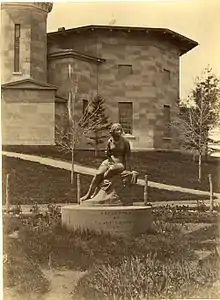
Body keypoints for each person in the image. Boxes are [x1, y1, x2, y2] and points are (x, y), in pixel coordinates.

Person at [80, 123, 131, 202]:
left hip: (120, 163)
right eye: (117, 130)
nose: (119, 131)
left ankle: (96, 192)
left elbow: (128, 157)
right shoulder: (110, 141)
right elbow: (107, 153)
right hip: (110, 161)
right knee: (98, 174)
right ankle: (88, 194)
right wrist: (109, 160)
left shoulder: (125, 142)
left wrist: (128, 170)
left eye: (120, 129)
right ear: (113, 131)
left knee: (110, 170)